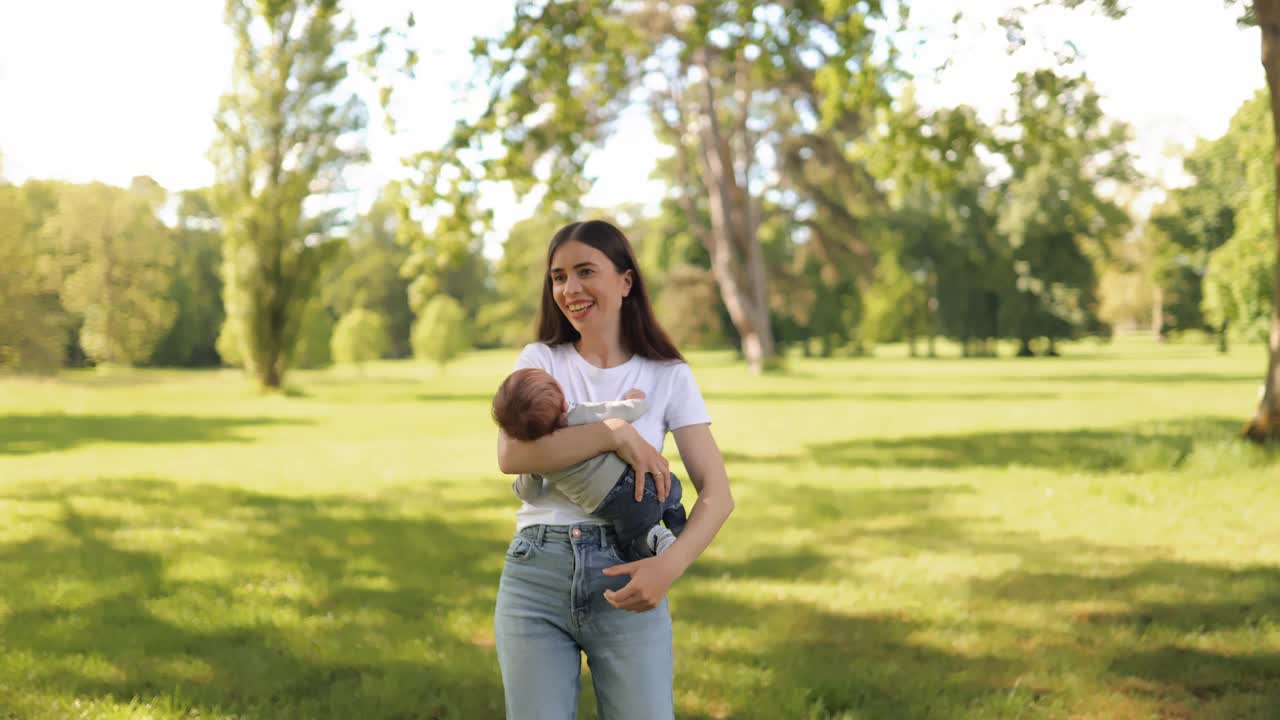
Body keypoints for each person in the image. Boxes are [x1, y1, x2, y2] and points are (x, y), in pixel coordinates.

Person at [493, 219, 734, 719]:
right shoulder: (539, 361)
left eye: (585, 271)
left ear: (626, 282)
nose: (570, 289)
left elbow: (717, 494)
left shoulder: (667, 376)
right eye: (558, 277)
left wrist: (669, 566)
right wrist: (611, 433)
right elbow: (512, 456)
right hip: (537, 575)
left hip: (628, 570)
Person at [491, 367, 687, 560]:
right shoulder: (578, 414)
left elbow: (529, 494)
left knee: (633, 535)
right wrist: (636, 401)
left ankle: (652, 537)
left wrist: (520, 483)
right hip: (627, 479)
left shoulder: (536, 460)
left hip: (601, 505)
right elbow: (618, 412)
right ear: (564, 406)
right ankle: (677, 524)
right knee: (670, 489)